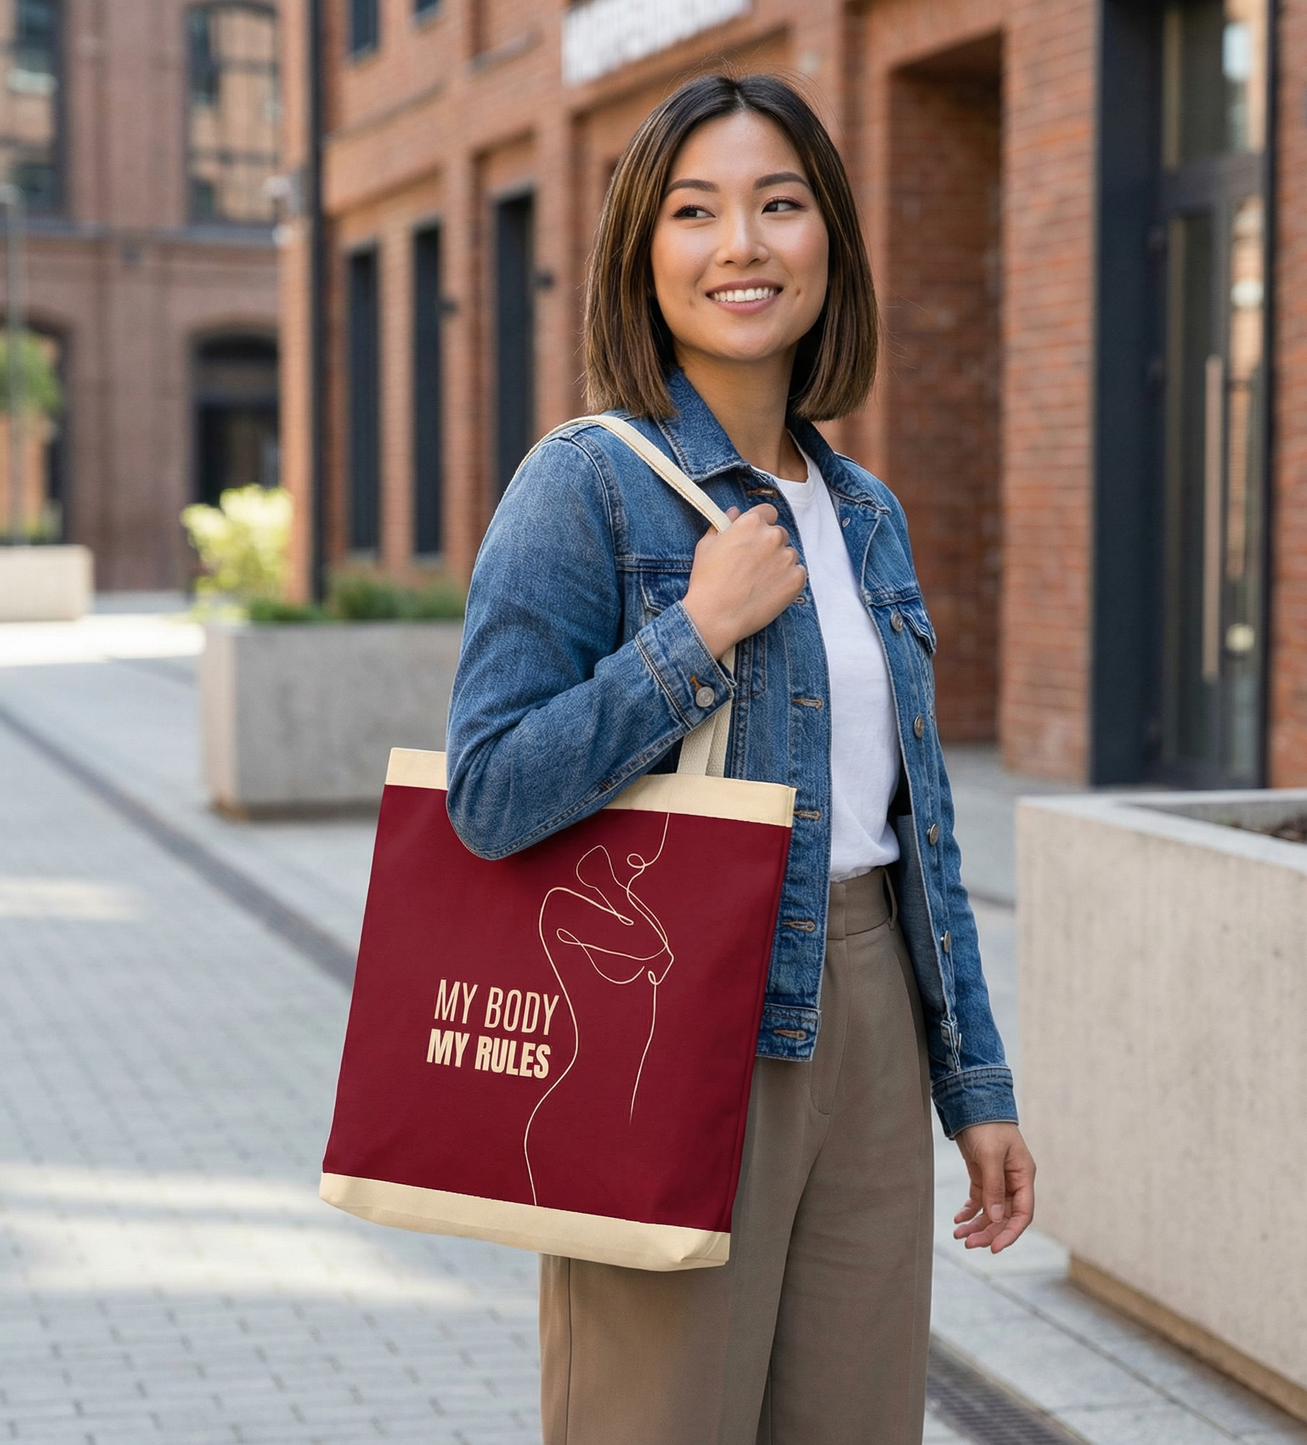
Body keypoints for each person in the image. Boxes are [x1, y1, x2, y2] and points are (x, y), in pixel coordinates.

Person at [446, 71, 1035, 1445]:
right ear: (641, 254)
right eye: (695, 211)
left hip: (875, 1016)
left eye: (779, 205)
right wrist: (694, 635)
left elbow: (922, 829)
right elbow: (487, 791)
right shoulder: (582, 483)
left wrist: (978, 1088)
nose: (741, 246)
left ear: (830, 235)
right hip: (672, 1019)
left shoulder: (867, 512)